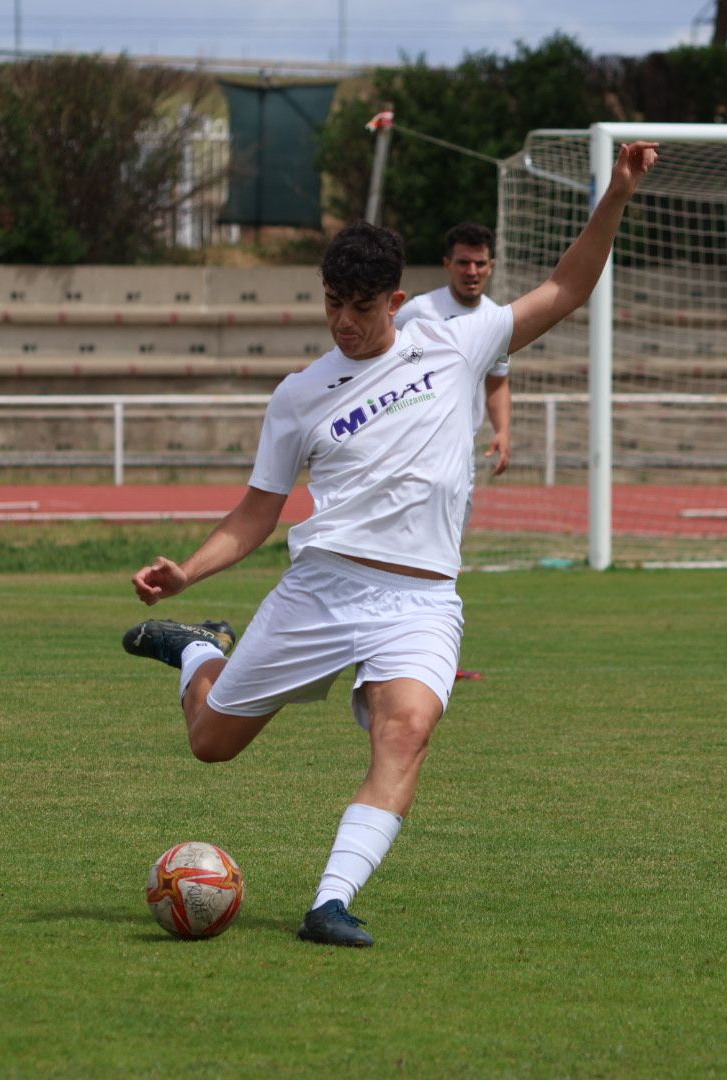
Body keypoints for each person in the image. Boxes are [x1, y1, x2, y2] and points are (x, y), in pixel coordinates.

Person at [124, 141, 658, 948]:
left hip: (421, 598)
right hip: (324, 586)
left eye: (362, 306)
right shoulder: (299, 396)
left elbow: (568, 286)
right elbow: (256, 513)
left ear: (397, 301)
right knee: (212, 745)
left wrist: (615, 193)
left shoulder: (457, 345)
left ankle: (329, 902)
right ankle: (201, 653)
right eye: (333, 301)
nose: (344, 320)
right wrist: (187, 573)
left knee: (405, 728)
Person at [393, 222, 512, 480]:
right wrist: (417, 361)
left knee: (455, 521)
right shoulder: (418, 311)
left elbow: (497, 382)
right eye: (463, 263)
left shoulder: (497, 320)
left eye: (480, 263)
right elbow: (386, 353)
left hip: (461, 450)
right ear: (447, 264)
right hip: (412, 448)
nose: (472, 271)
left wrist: (502, 431)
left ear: (491, 266)